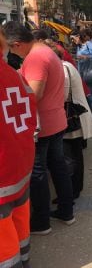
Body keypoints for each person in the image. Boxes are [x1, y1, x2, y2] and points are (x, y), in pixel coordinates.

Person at [4, 22, 75, 235]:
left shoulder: (35, 58)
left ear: (17, 44)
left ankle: (42, 221)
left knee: (38, 172)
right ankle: (66, 211)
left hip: (42, 125)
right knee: (58, 167)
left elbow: (34, 95)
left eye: (10, 48)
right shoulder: (46, 51)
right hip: (56, 120)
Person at [0, 27, 37, 268]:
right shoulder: (15, 75)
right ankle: (24, 259)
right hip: (21, 164)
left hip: (2, 171)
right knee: (20, 217)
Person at [61, 55, 92, 201]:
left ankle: (73, 189)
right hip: (75, 115)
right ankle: (75, 188)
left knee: (71, 155)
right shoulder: (67, 66)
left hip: (72, 117)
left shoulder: (63, 69)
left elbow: (63, 95)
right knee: (75, 154)